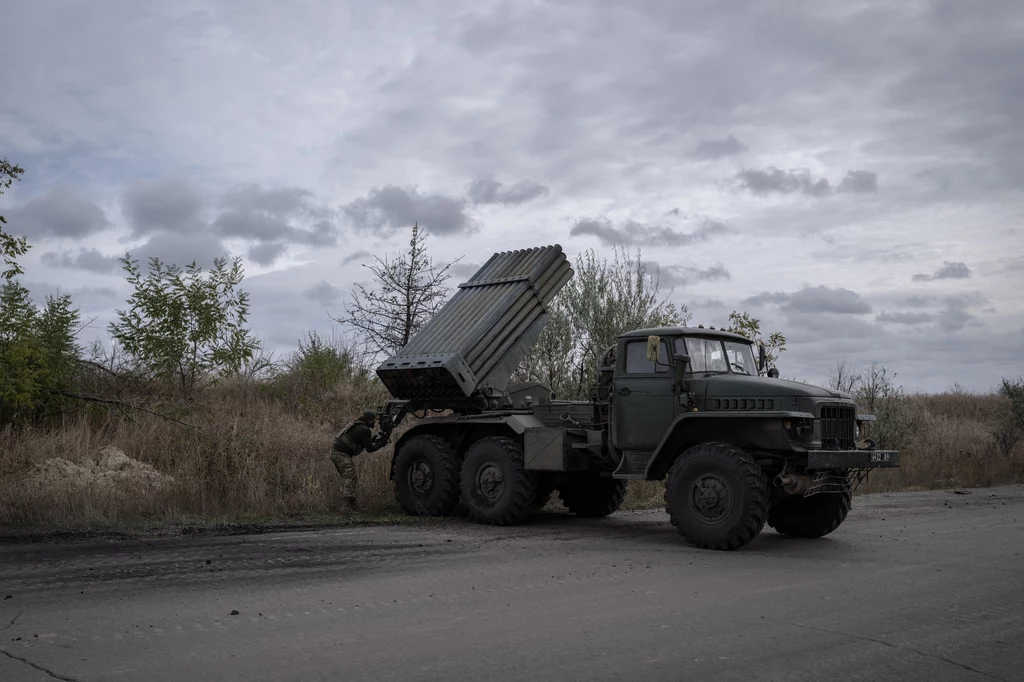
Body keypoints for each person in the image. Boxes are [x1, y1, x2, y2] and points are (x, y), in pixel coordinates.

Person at [331, 409, 389, 512]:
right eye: (373, 420)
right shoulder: (365, 430)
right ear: (369, 420)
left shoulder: (357, 425)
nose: (375, 422)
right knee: (351, 478)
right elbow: (370, 449)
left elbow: (361, 443)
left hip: (336, 452)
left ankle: (352, 506)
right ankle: (345, 507)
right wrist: (381, 444)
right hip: (341, 454)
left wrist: (373, 440)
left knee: (351, 478)